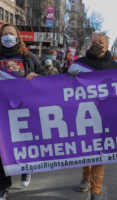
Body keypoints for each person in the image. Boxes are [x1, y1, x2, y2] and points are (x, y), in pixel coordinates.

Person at [69, 32, 117, 200]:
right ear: (90, 43)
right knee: (86, 148)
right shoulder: (80, 63)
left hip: (105, 114)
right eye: (94, 41)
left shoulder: (113, 65)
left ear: (106, 45)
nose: (97, 43)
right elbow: (63, 84)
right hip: (83, 113)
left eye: (101, 41)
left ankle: (96, 190)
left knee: (100, 150)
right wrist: (70, 75)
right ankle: (85, 176)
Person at [0, 23, 44, 200]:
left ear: (18, 37)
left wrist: (37, 77)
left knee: (23, 142)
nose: (8, 36)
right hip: (2, 109)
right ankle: (3, 186)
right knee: (2, 147)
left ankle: (25, 169)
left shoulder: (29, 57)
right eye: (5, 34)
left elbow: (44, 77)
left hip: (23, 108)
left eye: (11, 33)